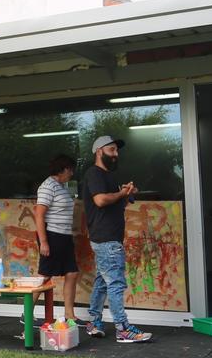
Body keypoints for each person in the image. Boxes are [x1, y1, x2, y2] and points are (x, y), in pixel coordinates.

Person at [80, 135, 152, 343]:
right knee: (116, 283)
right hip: (106, 238)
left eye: (117, 150)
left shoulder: (108, 176)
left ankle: (94, 322)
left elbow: (114, 205)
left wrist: (127, 194)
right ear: (99, 151)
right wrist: (120, 194)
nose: (116, 154)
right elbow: (101, 201)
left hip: (106, 236)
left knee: (103, 281)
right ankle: (123, 328)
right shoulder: (94, 174)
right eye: (112, 150)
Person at [35, 154, 81, 323]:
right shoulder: (48, 186)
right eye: (71, 170)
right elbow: (39, 215)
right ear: (63, 169)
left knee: (72, 273)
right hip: (52, 235)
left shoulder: (62, 186)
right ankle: (27, 312)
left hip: (64, 236)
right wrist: (44, 242)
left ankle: (69, 314)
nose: (72, 173)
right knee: (45, 276)